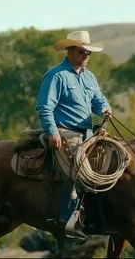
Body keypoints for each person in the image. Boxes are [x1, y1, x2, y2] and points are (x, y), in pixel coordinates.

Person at [37, 30, 112, 242]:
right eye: (82, 51)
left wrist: (105, 109)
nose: (86, 55)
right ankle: (66, 219)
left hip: (88, 133)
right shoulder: (56, 75)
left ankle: (100, 215)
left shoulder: (89, 77)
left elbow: (98, 100)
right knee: (77, 169)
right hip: (64, 132)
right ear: (70, 51)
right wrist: (52, 132)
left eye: (88, 52)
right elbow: (44, 107)